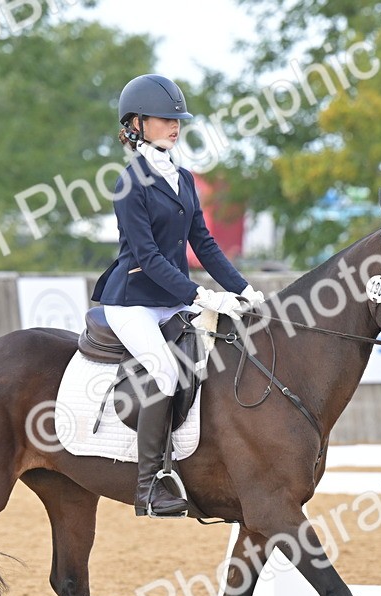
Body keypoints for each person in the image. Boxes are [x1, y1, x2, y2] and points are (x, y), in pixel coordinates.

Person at [91, 74, 265, 518]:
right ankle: (150, 487)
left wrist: (243, 290)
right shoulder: (129, 184)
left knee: (223, 356)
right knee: (166, 373)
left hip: (173, 299)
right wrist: (201, 295)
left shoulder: (184, 179)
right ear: (136, 124)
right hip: (132, 301)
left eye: (177, 119)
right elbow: (148, 257)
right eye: (165, 119)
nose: (175, 126)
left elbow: (203, 245)